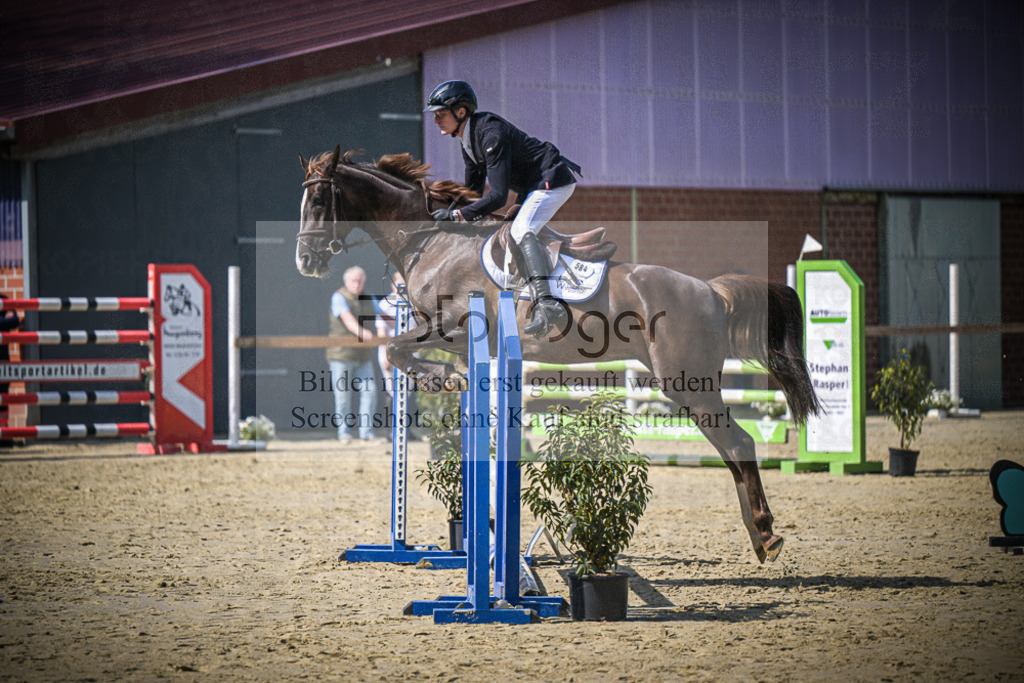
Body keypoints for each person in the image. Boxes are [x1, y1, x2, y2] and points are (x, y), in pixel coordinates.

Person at [424, 79, 582, 339]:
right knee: (509, 229)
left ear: (460, 112)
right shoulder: (467, 139)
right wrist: (444, 215)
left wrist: (456, 215)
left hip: (552, 181)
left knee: (520, 231)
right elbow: (471, 194)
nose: (435, 120)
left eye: (440, 114)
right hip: (532, 186)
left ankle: (547, 304)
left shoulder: (490, 134)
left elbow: (497, 197)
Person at [327, 266, 381, 442]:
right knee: (342, 395)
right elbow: (348, 319)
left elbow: (384, 313)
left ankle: (366, 432)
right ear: (346, 282)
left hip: (363, 355)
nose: (357, 284)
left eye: (360, 281)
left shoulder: (369, 298)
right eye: (354, 281)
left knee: (370, 392)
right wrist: (362, 332)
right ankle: (344, 433)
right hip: (340, 356)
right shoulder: (339, 297)